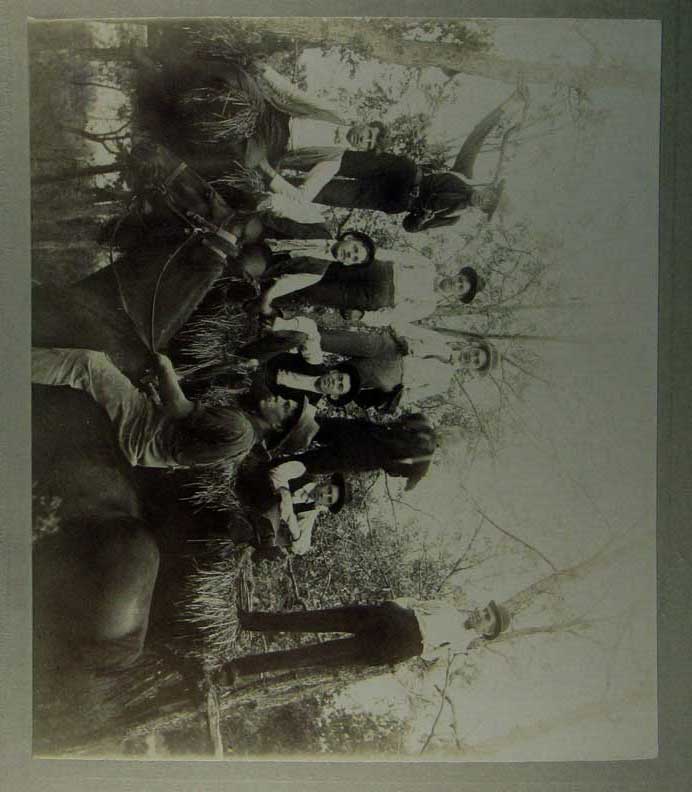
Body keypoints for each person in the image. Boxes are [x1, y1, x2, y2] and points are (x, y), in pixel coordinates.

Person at [266, 86, 528, 232]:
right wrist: (508, 104)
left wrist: (422, 218)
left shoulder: (453, 216)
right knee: (338, 160)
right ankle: (279, 154)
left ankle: (266, 181)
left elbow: (409, 227)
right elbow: (477, 135)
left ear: (483, 211)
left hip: (390, 199)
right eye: (490, 196)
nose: (485, 200)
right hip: (397, 172)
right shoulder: (464, 173)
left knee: (327, 193)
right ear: (490, 187)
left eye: (488, 206)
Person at [30, 348, 314, 469]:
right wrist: (156, 392)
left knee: (89, 363)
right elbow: (181, 431)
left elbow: (179, 409)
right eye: (287, 399)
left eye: (286, 406)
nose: (280, 399)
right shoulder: (245, 439)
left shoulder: (239, 427)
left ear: (278, 426)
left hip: (141, 431)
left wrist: (165, 367)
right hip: (151, 435)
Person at [220, 598, 511, 683]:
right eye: (485, 610)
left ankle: (238, 668)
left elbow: (429, 671)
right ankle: (248, 620)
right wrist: (392, 605)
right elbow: (415, 602)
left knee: (312, 656)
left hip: (395, 646)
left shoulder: (461, 650)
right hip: (388, 618)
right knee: (315, 619)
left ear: (486, 632)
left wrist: (401, 665)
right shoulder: (449, 607)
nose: (480, 614)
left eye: (486, 618)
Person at [281, 412, 437, 491]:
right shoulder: (425, 429)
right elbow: (408, 485)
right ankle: (277, 428)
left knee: (306, 459)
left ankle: (273, 453)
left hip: (359, 448)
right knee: (310, 432)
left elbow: (408, 482)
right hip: (360, 440)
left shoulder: (423, 458)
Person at [236, 456, 349, 556]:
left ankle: (257, 539)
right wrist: (284, 495)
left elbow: (301, 548)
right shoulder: (301, 471)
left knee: (274, 526)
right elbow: (274, 475)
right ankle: (262, 540)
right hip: (255, 486)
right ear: (327, 483)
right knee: (274, 507)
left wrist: (294, 528)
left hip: (260, 512)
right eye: (328, 490)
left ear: (326, 505)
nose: (323, 495)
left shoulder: (310, 508)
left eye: (329, 499)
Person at [258, 352, 362, 407]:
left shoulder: (307, 404)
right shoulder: (314, 361)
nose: (334, 382)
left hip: (260, 388)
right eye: (339, 378)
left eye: (339, 386)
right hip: (263, 361)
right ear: (334, 372)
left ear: (334, 396)